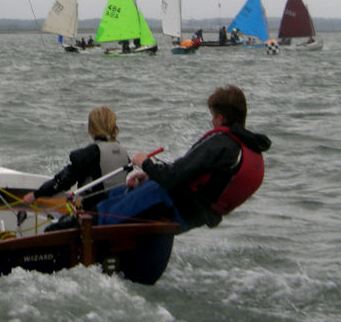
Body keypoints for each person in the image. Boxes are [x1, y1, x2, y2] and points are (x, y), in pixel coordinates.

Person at [97, 85, 270, 232]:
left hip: (174, 203)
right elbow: (192, 174)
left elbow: (171, 179)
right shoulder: (249, 148)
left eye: (213, 116)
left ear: (221, 118)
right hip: (193, 217)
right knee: (120, 192)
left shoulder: (221, 143)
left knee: (103, 213)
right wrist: (150, 175)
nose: (212, 122)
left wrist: (145, 163)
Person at [22, 106, 130, 210]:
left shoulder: (91, 154)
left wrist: (36, 194)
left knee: (50, 229)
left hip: (94, 214)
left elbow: (63, 181)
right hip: (119, 209)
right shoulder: (123, 152)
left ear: (91, 128)